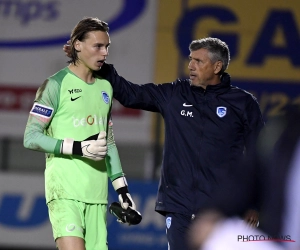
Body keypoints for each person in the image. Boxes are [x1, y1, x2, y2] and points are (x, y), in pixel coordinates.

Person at [64, 37, 264, 250]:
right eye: (190, 60)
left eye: (198, 61)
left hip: (222, 209)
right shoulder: (175, 94)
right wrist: (96, 64)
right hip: (179, 206)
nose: (191, 66)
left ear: (217, 67)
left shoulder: (243, 104)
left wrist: (254, 204)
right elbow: (131, 94)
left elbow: (261, 156)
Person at [24, 17, 136, 250]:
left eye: (107, 47)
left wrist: (122, 191)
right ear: (78, 45)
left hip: (97, 195)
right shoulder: (55, 84)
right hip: (64, 191)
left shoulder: (106, 87)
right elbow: (31, 137)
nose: (104, 52)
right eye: (98, 46)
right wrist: (79, 147)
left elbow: (109, 142)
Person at [187, 104, 300, 250]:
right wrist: (213, 212)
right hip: (280, 243)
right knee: (219, 237)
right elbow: (244, 180)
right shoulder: (286, 128)